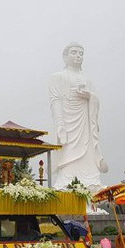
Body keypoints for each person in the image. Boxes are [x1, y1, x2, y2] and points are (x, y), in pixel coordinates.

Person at [50, 43, 108, 192]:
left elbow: (96, 100)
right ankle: (67, 181)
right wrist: (60, 125)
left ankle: (90, 181)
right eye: (74, 52)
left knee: (87, 151)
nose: (78, 56)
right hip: (68, 123)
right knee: (67, 152)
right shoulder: (57, 77)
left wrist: (89, 96)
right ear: (65, 56)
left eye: (81, 53)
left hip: (85, 123)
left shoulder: (88, 80)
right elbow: (55, 100)